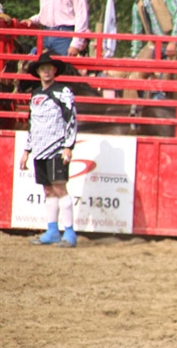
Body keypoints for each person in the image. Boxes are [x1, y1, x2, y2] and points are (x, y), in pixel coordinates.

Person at [19, 52, 78, 248]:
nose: (46, 71)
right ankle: (52, 230)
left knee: (60, 188)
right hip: (39, 149)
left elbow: (71, 118)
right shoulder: (35, 94)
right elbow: (31, 122)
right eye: (42, 68)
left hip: (57, 148)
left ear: (54, 71)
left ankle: (69, 233)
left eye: (49, 68)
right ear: (38, 72)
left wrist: (68, 146)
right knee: (48, 190)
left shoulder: (63, 92)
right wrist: (27, 150)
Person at [20, 0, 89, 57]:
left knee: (64, 68)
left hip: (65, 35)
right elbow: (44, 14)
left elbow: (81, 15)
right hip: (46, 34)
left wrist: (76, 43)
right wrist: (32, 20)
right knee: (44, 67)